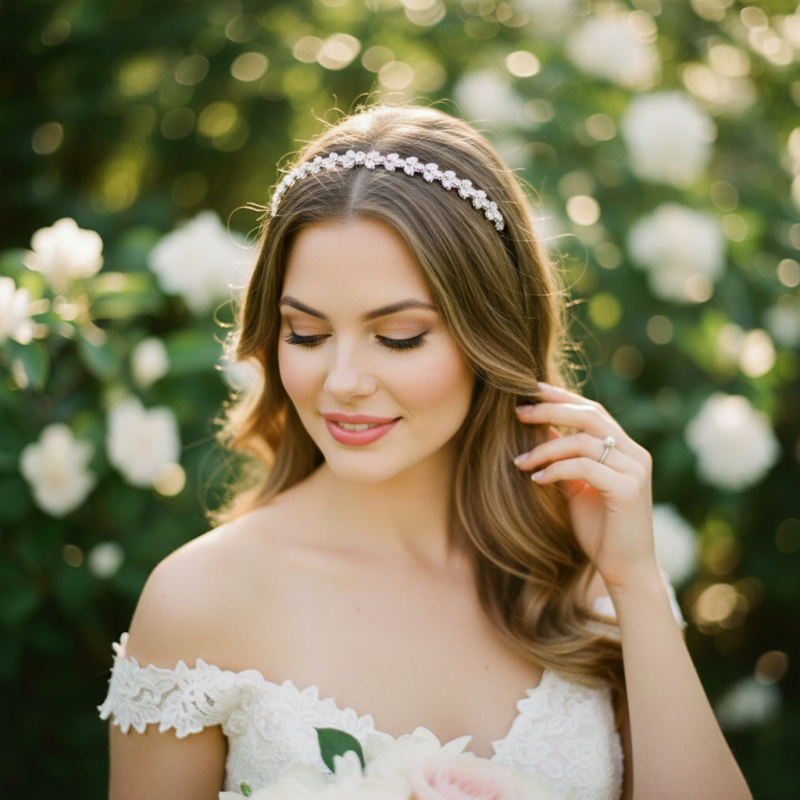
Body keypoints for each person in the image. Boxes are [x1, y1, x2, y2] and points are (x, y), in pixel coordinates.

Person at [99, 105, 751, 800]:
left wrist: (639, 587)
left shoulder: (592, 578)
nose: (342, 383)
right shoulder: (202, 600)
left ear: (491, 335)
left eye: (400, 336)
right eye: (307, 335)